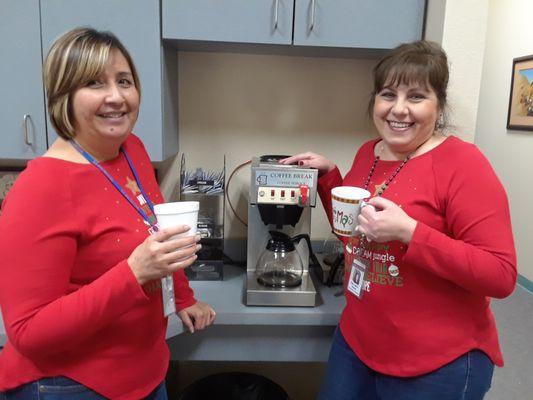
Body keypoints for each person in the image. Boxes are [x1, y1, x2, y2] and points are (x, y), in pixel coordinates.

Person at [281, 41, 517, 400]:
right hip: (358, 343)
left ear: (439, 106)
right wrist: (330, 178)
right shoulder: (369, 152)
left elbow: (501, 275)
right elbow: (356, 235)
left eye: (417, 96)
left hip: (437, 362)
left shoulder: (464, 164)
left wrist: (411, 233)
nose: (399, 109)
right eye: (388, 94)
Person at [0, 28, 216, 399]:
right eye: (94, 83)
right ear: (62, 96)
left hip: (144, 372)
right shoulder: (40, 188)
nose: (116, 97)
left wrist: (182, 296)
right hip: (69, 385)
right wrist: (132, 274)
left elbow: (155, 229)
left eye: (124, 81)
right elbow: (28, 333)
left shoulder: (131, 150)